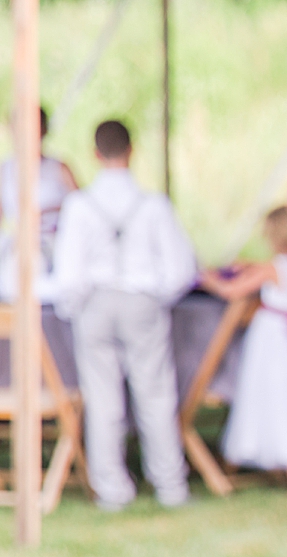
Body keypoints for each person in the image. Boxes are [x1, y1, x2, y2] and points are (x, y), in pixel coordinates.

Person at [48, 120, 197, 510]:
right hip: (141, 300)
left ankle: (112, 489)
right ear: (131, 151)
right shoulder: (153, 205)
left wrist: (75, 302)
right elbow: (182, 267)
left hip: (95, 303)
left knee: (103, 398)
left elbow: (68, 271)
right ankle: (169, 485)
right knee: (156, 394)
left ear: (95, 154)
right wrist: (156, 293)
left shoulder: (80, 206)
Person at [201, 208, 287, 500]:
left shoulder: (274, 269)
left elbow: (232, 290)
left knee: (282, 406)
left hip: (278, 346)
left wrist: (205, 278)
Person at [0, 106, 79, 300]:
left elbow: (82, 210)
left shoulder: (59, 169)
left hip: (57, 245)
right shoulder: (5, 171)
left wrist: (51, 210)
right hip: (19, 247)